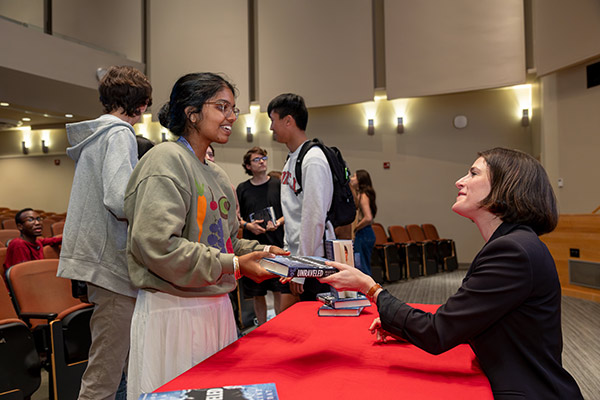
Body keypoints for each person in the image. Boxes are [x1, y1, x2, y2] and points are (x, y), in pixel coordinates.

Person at [320, 148, 583, 399]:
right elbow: (466, 321)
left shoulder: (512, 250)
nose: (460, 181)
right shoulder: (513, 243)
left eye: (473, 173)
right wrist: (402, 326)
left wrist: (371, 288)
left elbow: (439, 332)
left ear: (505, 187)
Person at [124, 72, 287, 398]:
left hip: (216, 306)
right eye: (222, 107)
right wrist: (236, 264)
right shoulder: (164, 160)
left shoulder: (214, 172)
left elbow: (225, 241)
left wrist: (265, 253)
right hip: (174, 309)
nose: (231, 117)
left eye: (233, 109)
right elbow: (157, 245)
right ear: (192, 113)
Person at [57, 65, 152, 400]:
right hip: (110, 264)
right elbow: (118, 199)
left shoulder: (100, 133)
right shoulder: (119, 134)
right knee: (105, 374)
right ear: (140, 104)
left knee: (115, 366)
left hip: (99, 260)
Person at [268, 93, 335, 301]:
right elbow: (294, 214)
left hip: (314, 263)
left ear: (288, 121)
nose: (271, 128)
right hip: (299, 258)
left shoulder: (312, 159)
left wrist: (302, 268)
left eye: (273, 120)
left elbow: (314, 218)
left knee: (315, 325)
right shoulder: (292, 159)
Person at [237, 146, 294, 322]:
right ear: (248, 166)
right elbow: (237, 218)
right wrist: (248, 226)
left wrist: (278, 222)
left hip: (275, 244)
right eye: (256, 159)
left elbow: (290, 211)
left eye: (264, 158)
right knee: (257, 292)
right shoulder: (243, 189)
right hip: (252, 247)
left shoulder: (277, 184)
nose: (262, 161)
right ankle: (261, 326)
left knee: (278, 289)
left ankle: (278, 324)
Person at [3, 208, 62, 275]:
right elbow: (23, 274)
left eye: (38, 219)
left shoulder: (37, 241)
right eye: (30, 220)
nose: (37, 223)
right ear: (20, 226)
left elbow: (54, 240)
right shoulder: (19, 245)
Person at [350, 169, 377, 275]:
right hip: (366, 233)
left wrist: (355, 228)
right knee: (362, 265)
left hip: (363, 233)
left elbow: (368, 218)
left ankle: (366, 291)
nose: (352, 178)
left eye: (354, 176)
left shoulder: (363, 195)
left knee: (362, 266)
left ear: (360, 180)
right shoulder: (362, 194)